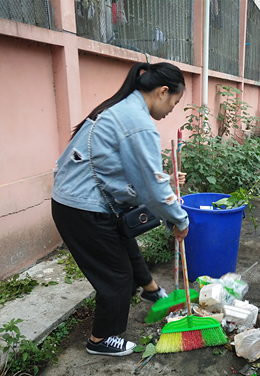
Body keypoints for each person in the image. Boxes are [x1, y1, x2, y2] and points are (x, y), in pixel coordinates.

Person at [51, 62, 189, 356]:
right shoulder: (137, 123)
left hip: (77, 201)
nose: (170, 111)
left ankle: (152, 291)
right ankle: (100, 339)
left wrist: (166, 184)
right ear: (163, 92)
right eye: (174, 103)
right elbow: (151, 188)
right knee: (117, 276)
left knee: (124, 243)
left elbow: (135, 175)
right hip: (82, 208)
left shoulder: (124, 109)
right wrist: (179, 219)